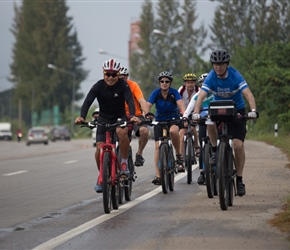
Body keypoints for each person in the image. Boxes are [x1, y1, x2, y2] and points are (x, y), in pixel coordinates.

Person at [192, 49, 258, 196]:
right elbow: (201, 96)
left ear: (226, 64)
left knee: (238, 145)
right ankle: (215, 150)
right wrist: (196, 113)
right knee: (209, 122)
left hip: (236, 110)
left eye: (221, 64)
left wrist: (253, 110)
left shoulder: (235, 75)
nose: (218, 67)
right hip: (218, 109)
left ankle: (239, 180)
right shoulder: (211, 77)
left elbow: (248, 94)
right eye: (215, 64)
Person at [75, 58, 137, 193]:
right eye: (107, 74)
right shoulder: (98, 86)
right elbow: (87, 101)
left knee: (122, 132)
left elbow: (130, 100)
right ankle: (101, 176)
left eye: (113, 74)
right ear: (103, 74)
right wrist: (82, 117)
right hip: (103, 119)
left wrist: (132, 115)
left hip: (119, 117)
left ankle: (124, 162)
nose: (110, 77)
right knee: (99, 150)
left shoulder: (123, 85)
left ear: (118, 74)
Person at [147, 71, 186, 185]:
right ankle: (158, 176)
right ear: (159, 83)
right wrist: (146, 114)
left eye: (167, 81)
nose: (164, 83)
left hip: (173, 119)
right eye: (162, 81)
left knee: (174, 131)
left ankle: (178, 155)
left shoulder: (174, 93)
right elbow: (148, 105)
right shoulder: (156, 93)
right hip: (159, 120)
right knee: (158, 147)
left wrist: (184, 115)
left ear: (170, 83)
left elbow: (181, 105)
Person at [183, 73, 214, 184]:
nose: (205, 87)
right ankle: (202, 172)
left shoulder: (216, 94)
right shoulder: (197, 96)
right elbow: (189, 109)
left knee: (219, 143)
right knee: (202, 147)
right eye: (202, 84)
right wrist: (185, 117)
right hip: (202, 121)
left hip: (215, 122)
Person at [119, 66, 149, 167]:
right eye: (119, 77)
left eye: (124, 77)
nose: (122, 79)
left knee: (144, 131)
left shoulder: (133, 85)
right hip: (119, 115)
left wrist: (147, 113)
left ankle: (139, 154)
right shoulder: (112, 86)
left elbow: (141, 100)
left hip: (135, 114)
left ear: (127, 77)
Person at [178, 73, 200, 172]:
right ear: (185, 83)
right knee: (181, 135)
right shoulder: (181, 90)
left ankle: (196, 146)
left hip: (195, 112)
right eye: (188, 83)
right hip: (183, 113)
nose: (190, 85)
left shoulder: (198, 90)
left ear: (195, 83)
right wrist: (183, 116)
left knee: (193, 127)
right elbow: (177, 102)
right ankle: (181, 161)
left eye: (192, 83)